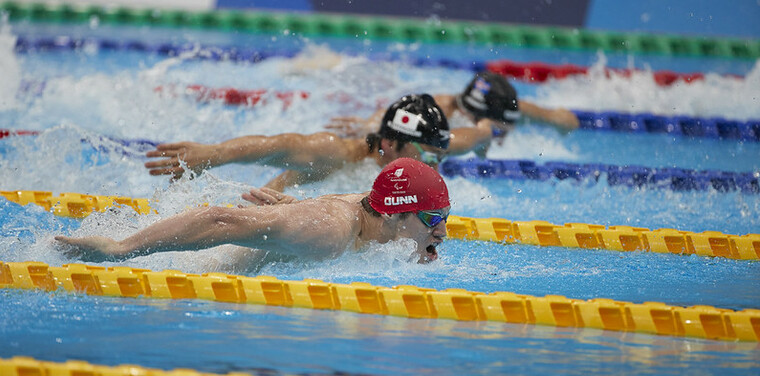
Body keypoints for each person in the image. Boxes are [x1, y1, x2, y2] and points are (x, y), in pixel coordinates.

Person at [55, 158, 451, 266]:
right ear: (398, 213)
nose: (443, 233)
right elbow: (219, 219)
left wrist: (299, 211)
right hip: (193, 268)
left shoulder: (364, 211)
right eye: (433, 220)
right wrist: (120, 249)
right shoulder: (329, 232)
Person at [144, 94, 451, 192]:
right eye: (428, 154)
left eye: (440, 156)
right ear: (390, 142)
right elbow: (282, 144)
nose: (434, 166)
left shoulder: (394, 171)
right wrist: (215, 153)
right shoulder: (339, 153)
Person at [327, 71, 580, 156]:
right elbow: (389, 117)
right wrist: (369, 126)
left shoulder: (510, 109)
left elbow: (568, 120)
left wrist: (560, 123)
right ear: (472, 116)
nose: (503, 133)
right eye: (497, 128)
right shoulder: (440, 110)